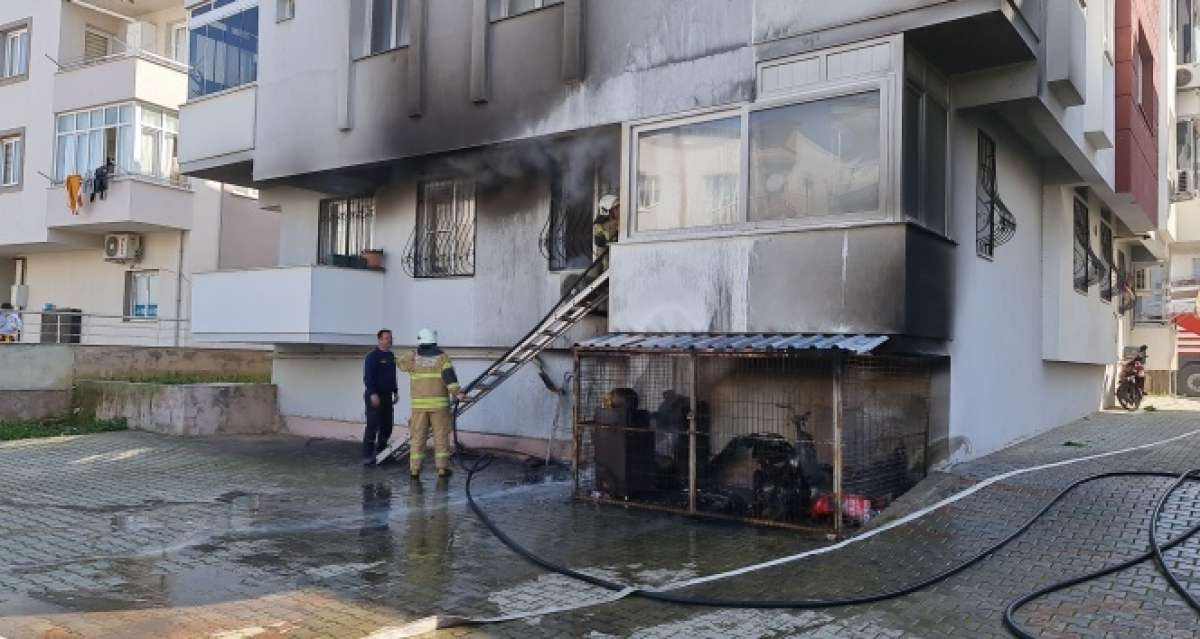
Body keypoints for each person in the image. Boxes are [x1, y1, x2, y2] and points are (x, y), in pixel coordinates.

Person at [398, 328, 465, 479]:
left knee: (418, 437)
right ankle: (442, 469)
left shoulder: (413, 359)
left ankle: (415, 470)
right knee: (441, 436)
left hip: (419, 407)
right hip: (439, 406)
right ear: (434, 341)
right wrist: (458, 393)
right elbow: (450, 378)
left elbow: (400, 363)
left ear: (420, 341)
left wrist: (410, 352)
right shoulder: (442, 358)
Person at [362, 329, 398, 465]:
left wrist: (395, 391)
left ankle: (382, 453)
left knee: (387, 425)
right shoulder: (372, 356)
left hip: (387, 396)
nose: (390, 340)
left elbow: (392, 376)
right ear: (380, 340)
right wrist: (372, 394)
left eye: (391, 338)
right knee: (373, 425)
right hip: (375, 396)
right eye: (387, 338)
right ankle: (367, 456)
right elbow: (368, 377)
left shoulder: (390, 356)